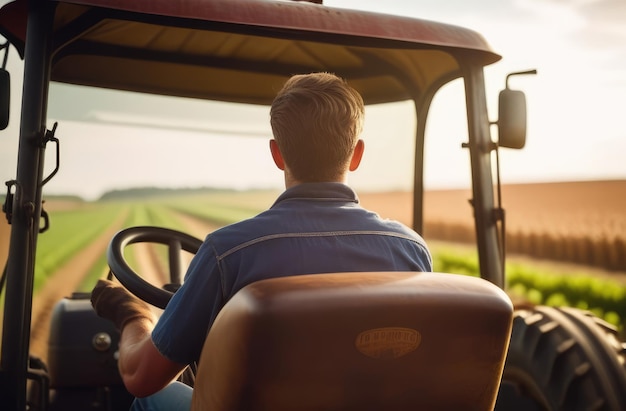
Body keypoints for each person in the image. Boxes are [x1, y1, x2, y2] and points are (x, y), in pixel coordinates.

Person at [91, 72, 433, 410]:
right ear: (356, 154)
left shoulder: (227, 254)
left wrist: (133, 315)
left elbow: (141, 376)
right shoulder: (411, 252)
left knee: (151, 397)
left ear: (277, 153)